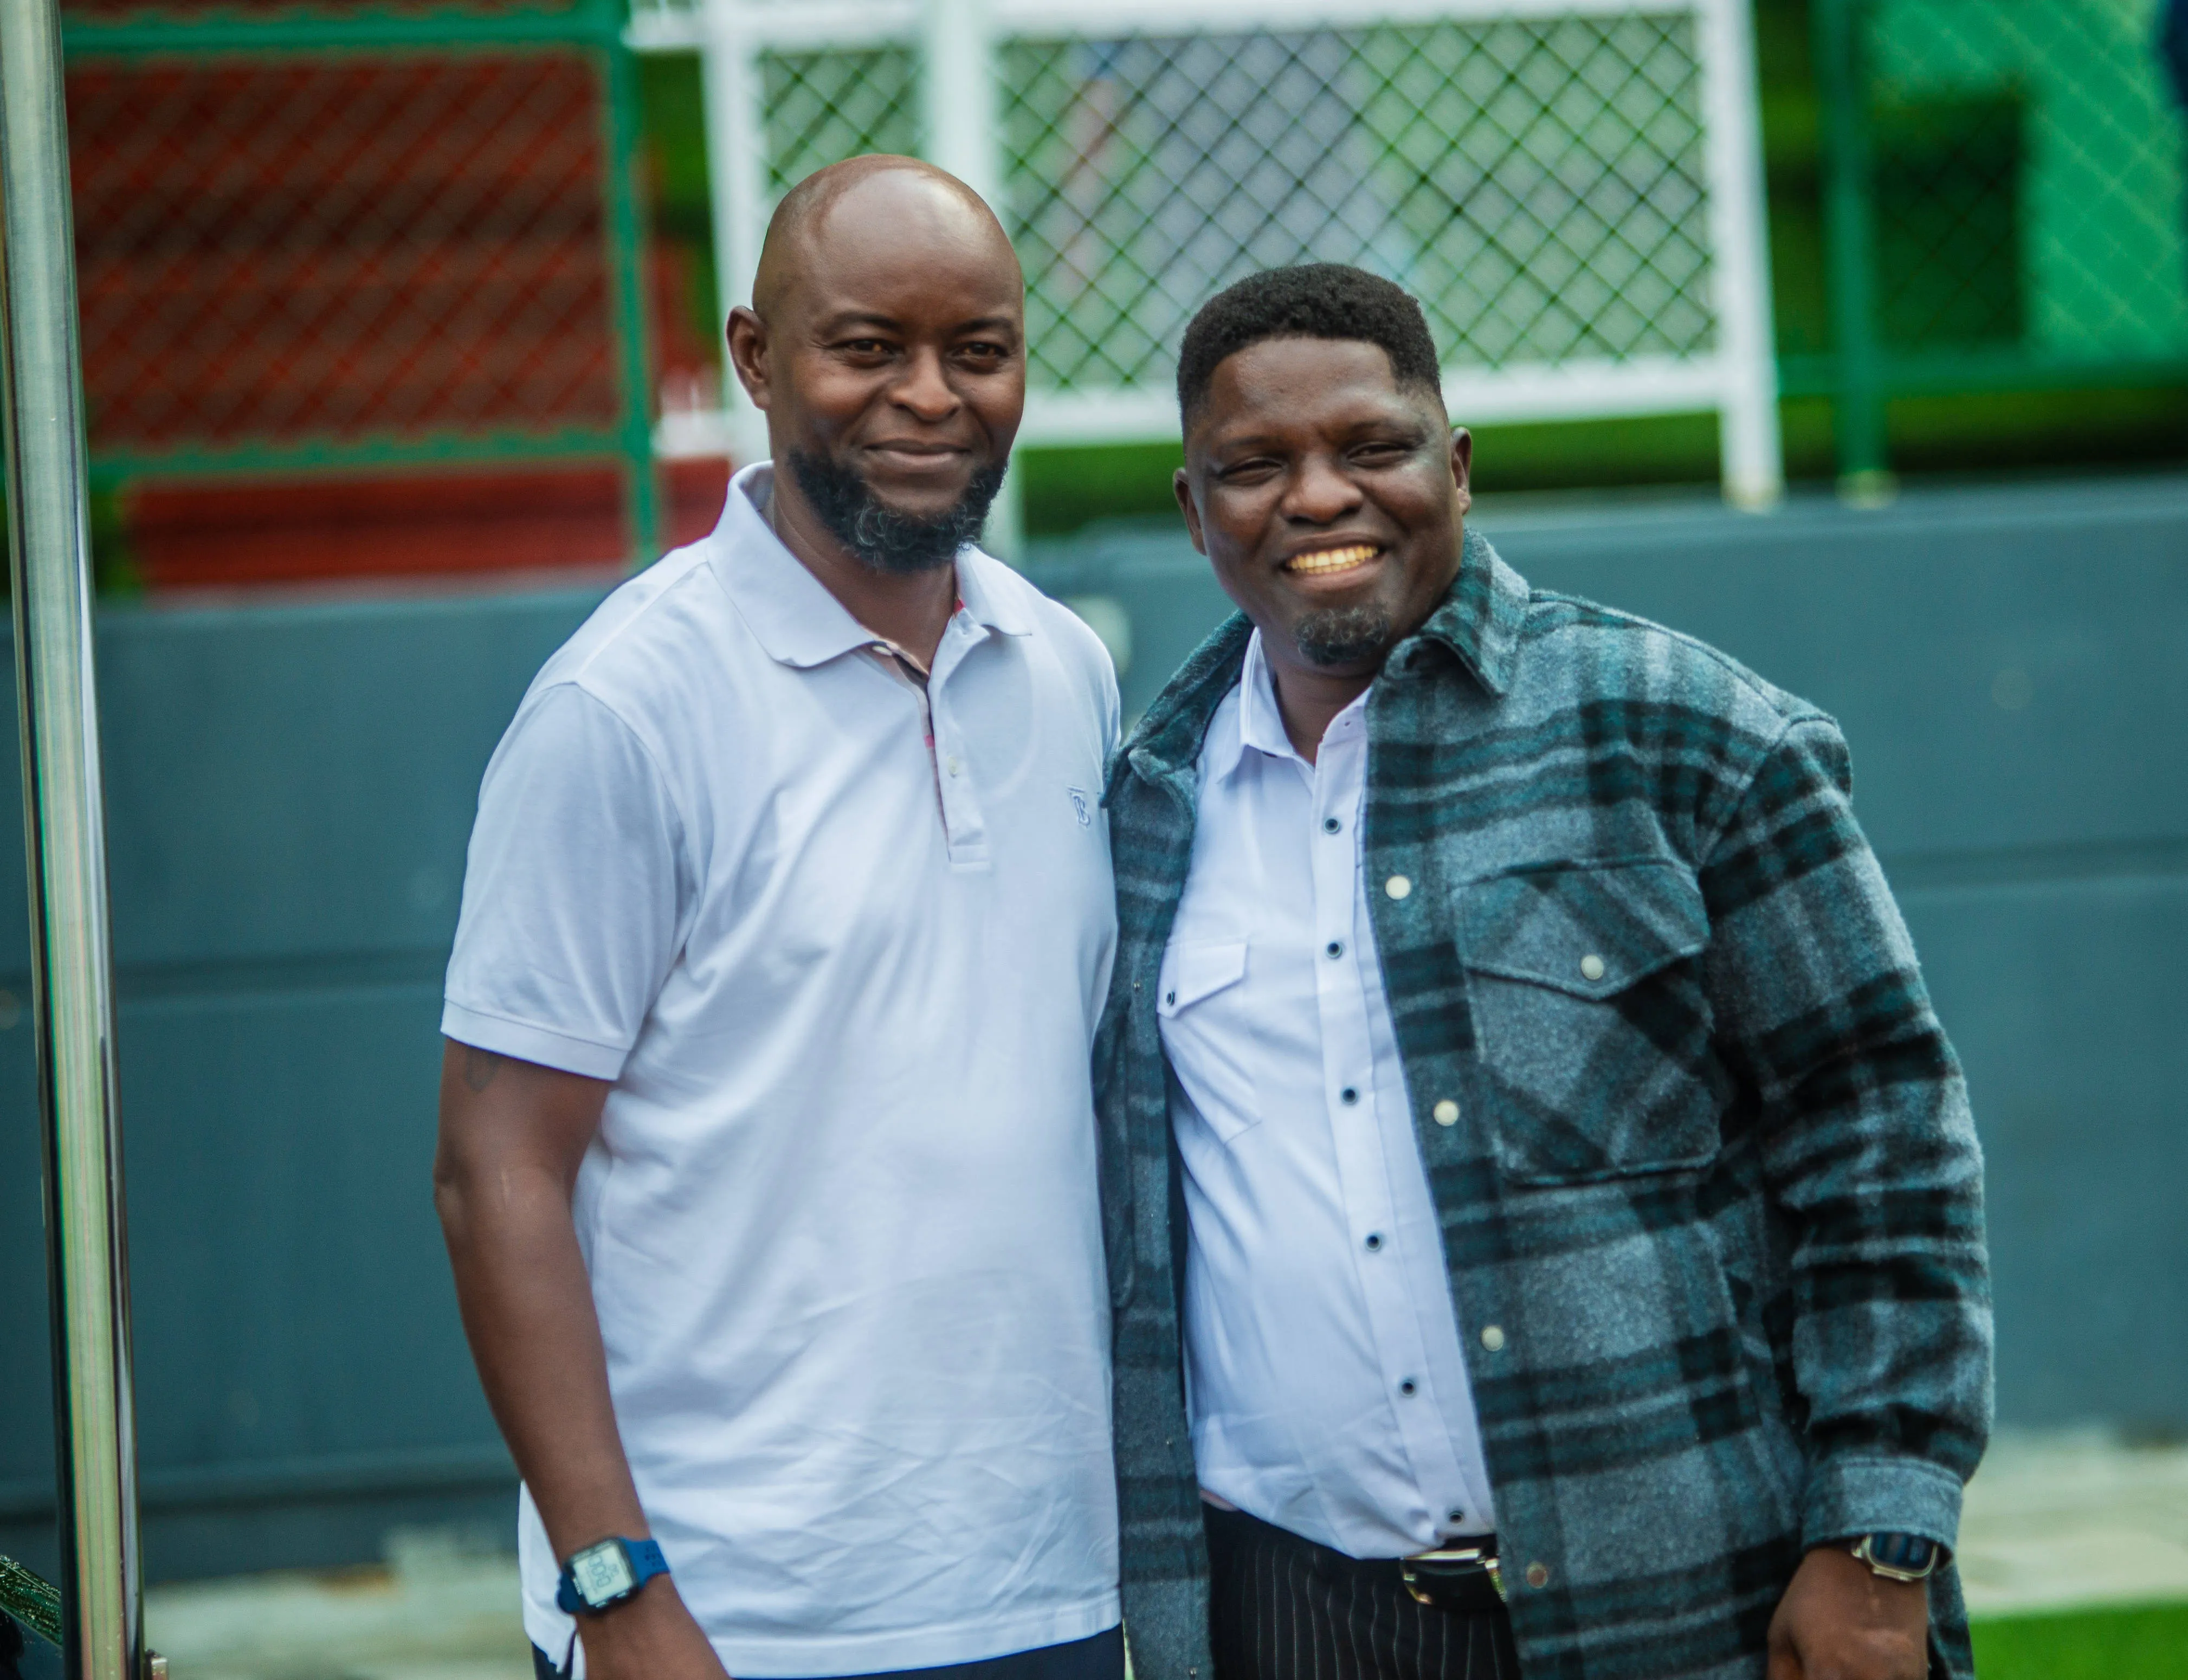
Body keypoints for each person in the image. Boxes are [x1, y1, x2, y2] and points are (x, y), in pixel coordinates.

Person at [1094, 264, 1991, 1680]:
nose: (1317, 497)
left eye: (1369, 448)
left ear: (1453, 466)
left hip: (1682, 1599)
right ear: (1192, 510)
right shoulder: (1141, 809)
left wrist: (1878, 1538)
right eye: (1254, 466)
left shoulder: (1687, 733)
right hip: (1294, 1615)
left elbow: (1878, 1135)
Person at [433, 157, 1125, 1680]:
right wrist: (619, 1587)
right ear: (755, 359)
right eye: (867, 348)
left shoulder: (1064, 671)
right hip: (729, 1616)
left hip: (1045, 1592)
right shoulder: (624, 708)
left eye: (979, 351)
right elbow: (498, 1171)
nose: (929, 398)